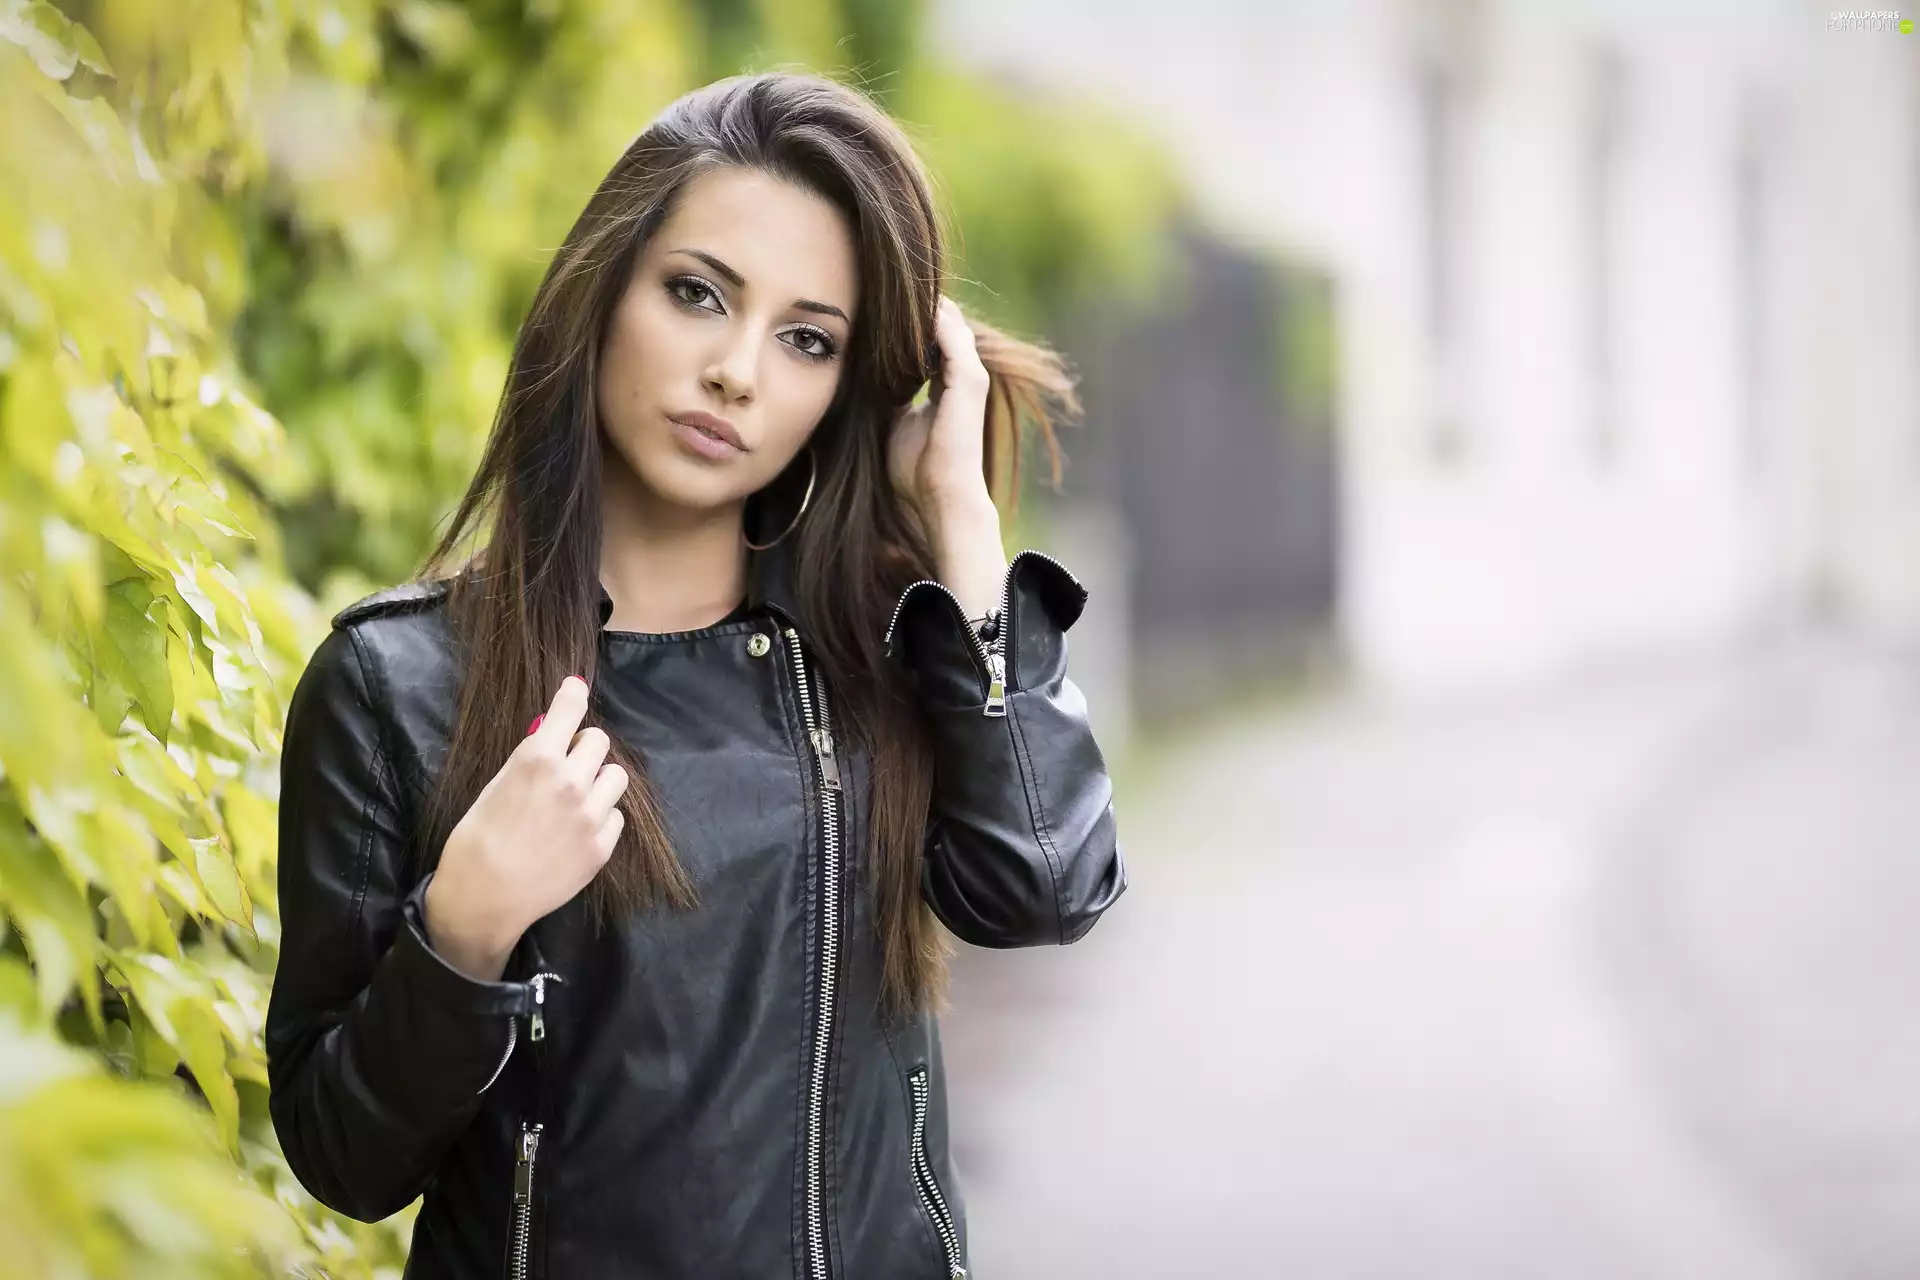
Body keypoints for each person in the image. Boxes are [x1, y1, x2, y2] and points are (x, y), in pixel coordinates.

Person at [265, 71, 1126, 1280]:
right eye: (697, 293)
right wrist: (462, 926)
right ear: (603, 290)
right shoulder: (398, 684)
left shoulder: (879, 659)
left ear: (843, 390)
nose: (736, 371)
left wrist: (962, 527)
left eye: (806, 339)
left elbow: (1047, 884)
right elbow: (343, 1155)